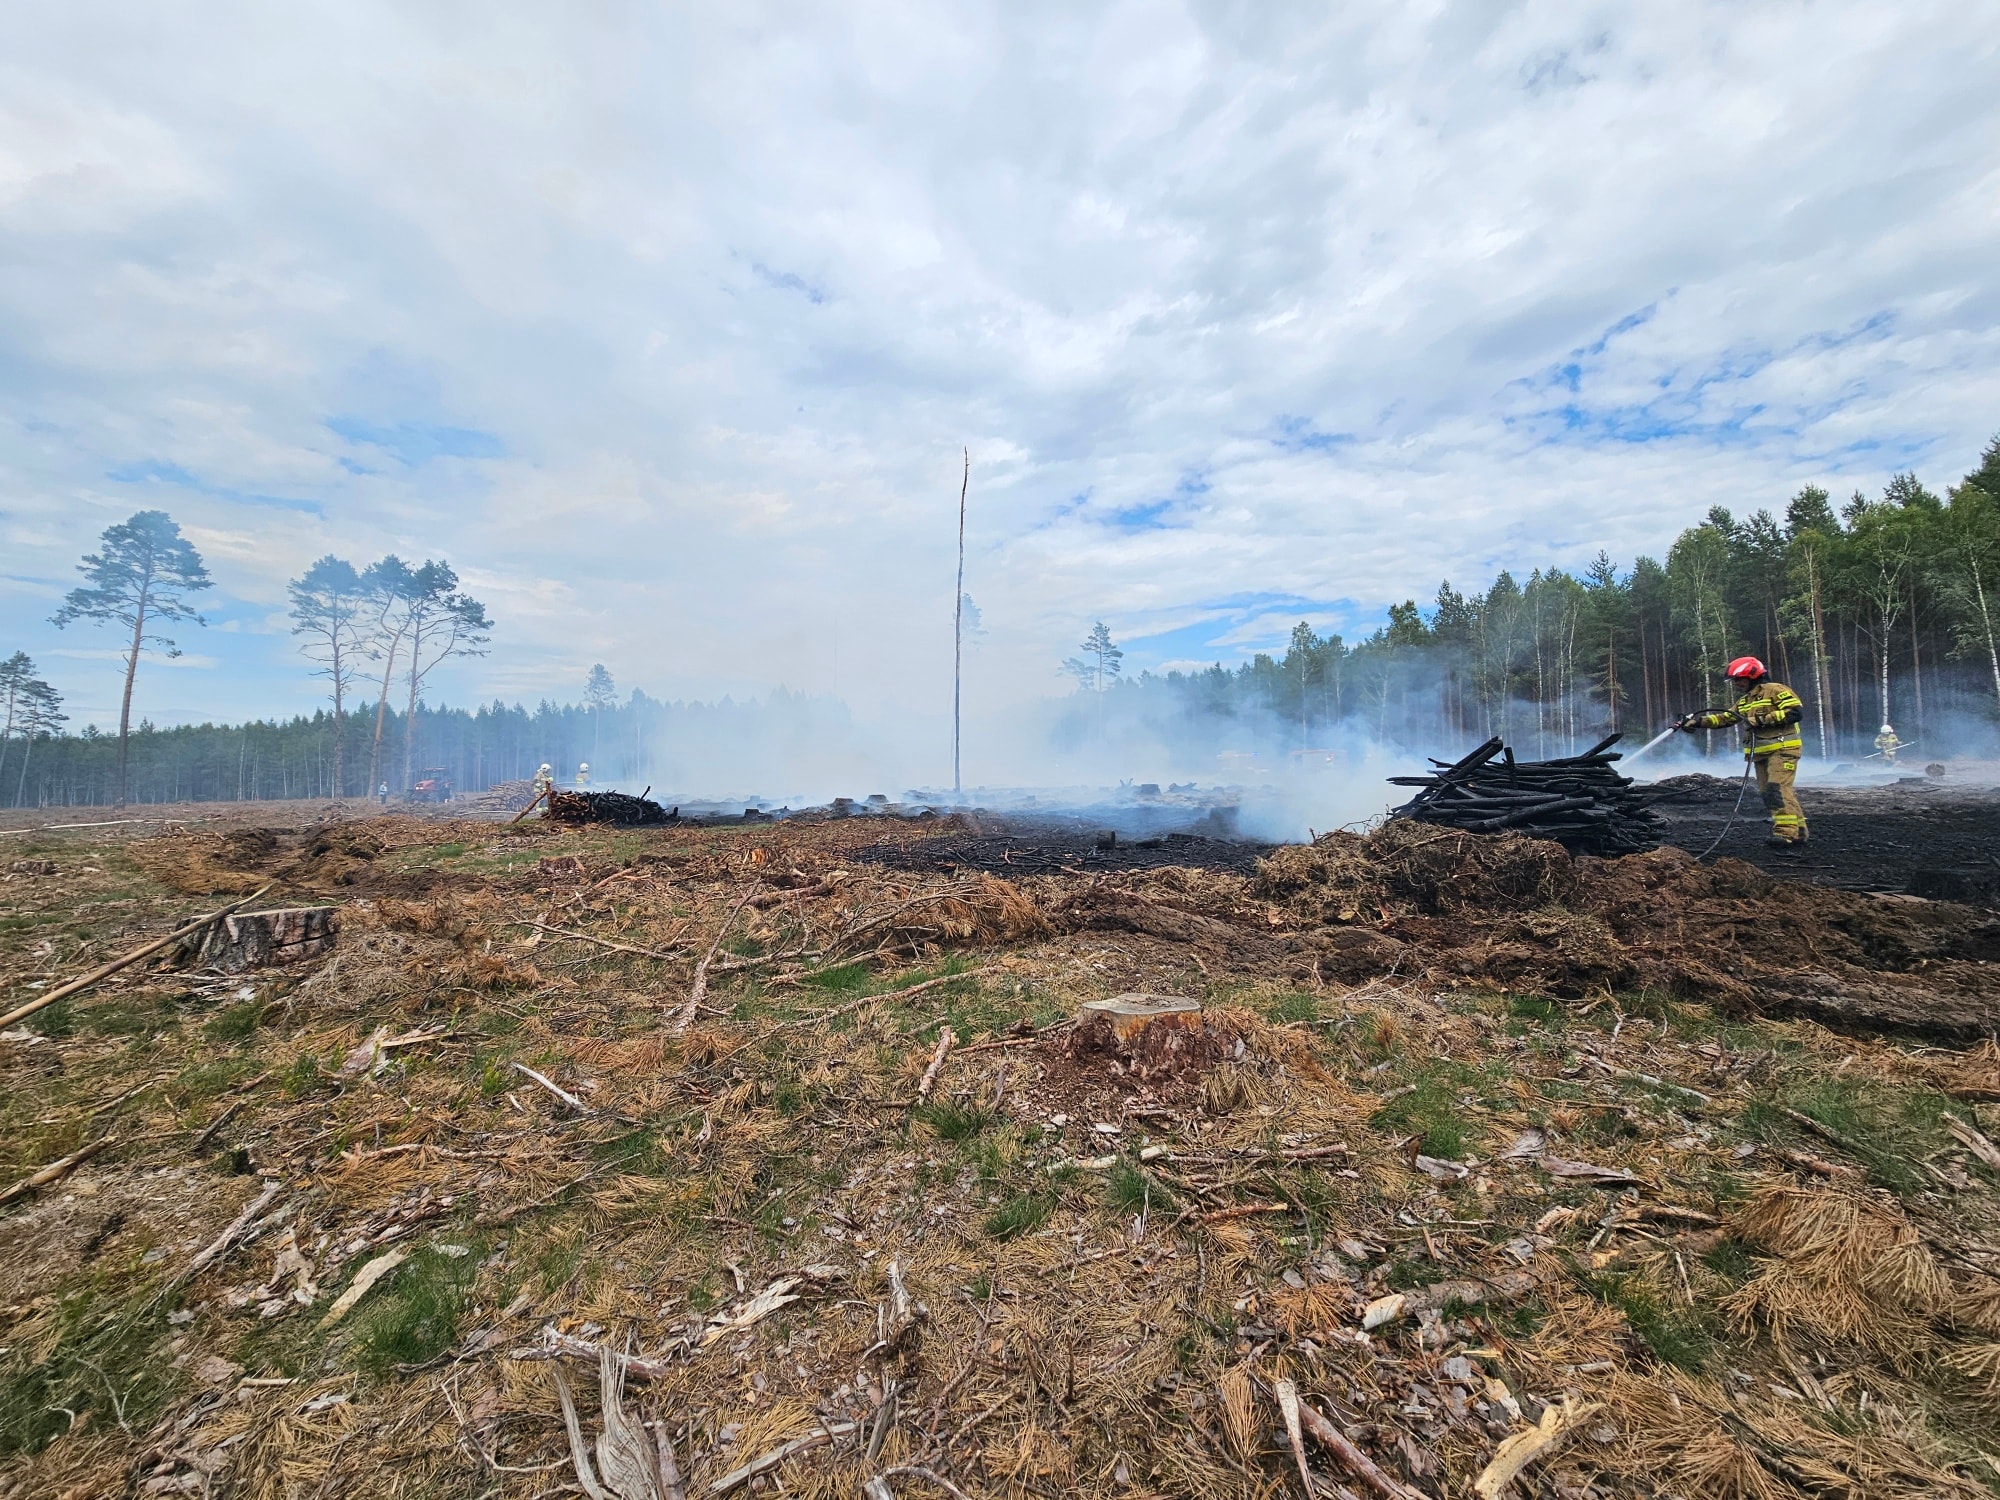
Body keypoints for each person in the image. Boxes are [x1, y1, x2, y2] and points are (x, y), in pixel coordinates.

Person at [1677, 656, 1808, 847]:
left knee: (1776, 790)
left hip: (1783, 749)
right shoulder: (1745, 701)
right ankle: (1799, 832)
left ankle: (1785, 833)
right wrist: (1697, 722)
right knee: (1768, 792)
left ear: (1753, 675)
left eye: (1739, 679)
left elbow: (1795, 713)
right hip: (1761, 753)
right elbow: (1726, 718)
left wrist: (1761, 719)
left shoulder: (1776, 690)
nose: (1736, 684)